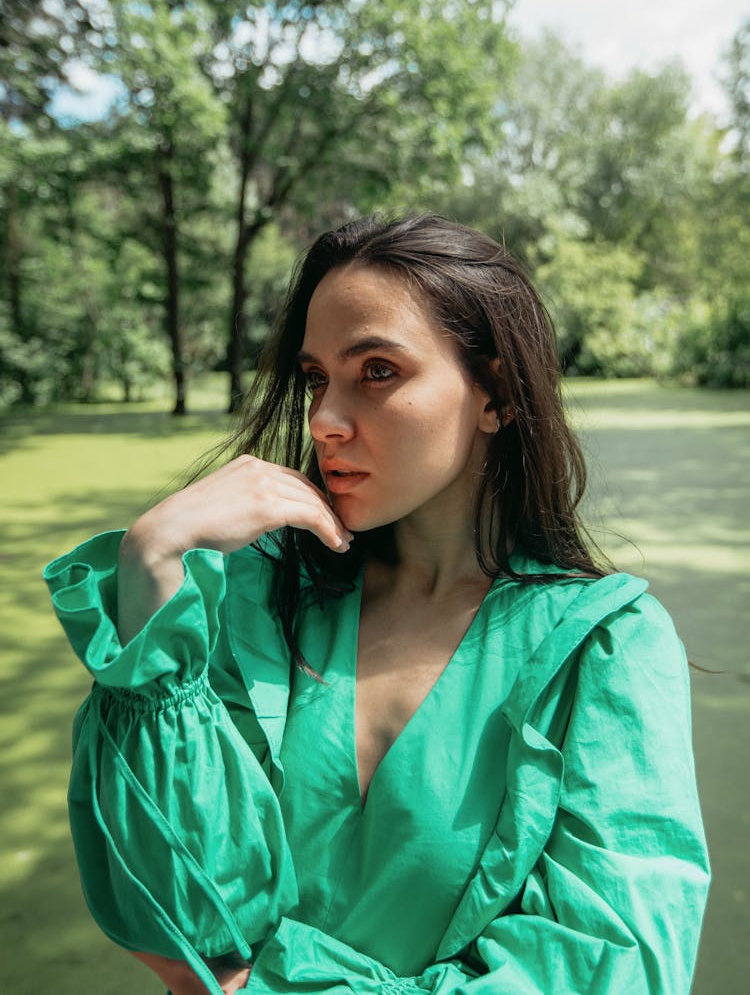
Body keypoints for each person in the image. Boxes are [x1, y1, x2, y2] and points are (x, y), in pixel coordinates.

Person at [44, 214, 710, 995]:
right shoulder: (259, 599)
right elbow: (179, 919)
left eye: (379, 371)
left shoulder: (605, 647)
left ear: (494, 391)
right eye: (317, 377)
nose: (324, 419)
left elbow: (614, 969)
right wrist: (151, 562)